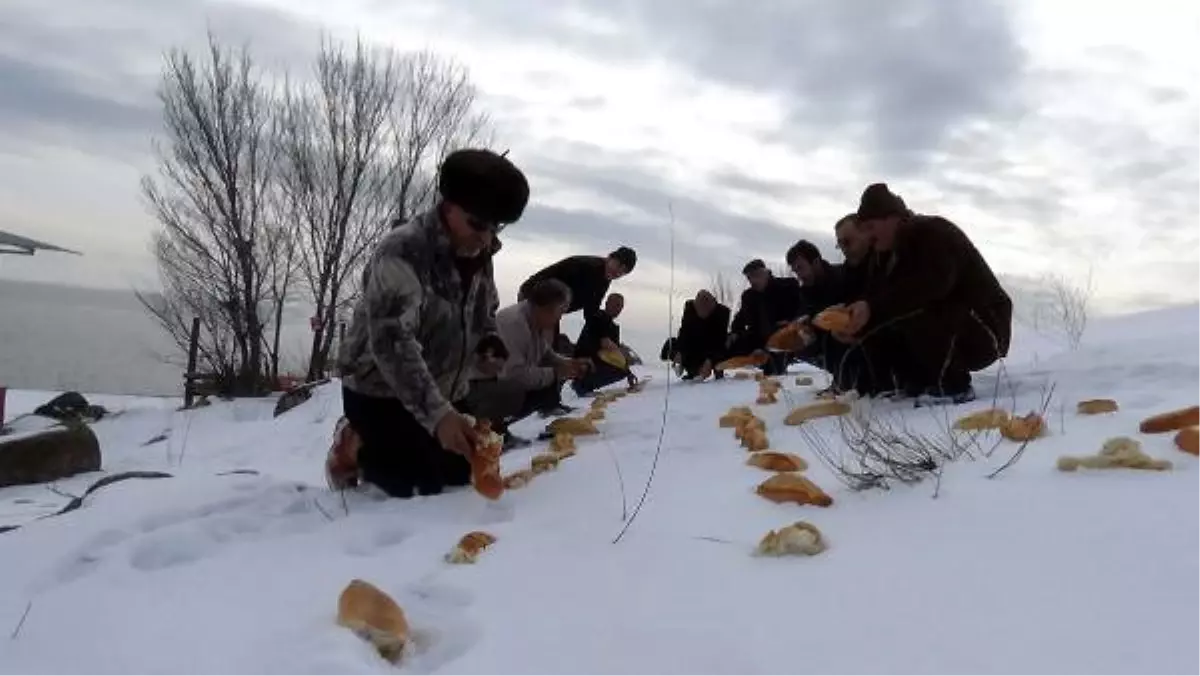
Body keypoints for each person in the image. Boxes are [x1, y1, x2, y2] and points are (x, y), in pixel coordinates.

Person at [329, 148, 530, 498]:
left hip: (446, 388)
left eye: (495, 227)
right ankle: (353, 444)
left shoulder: (479, 254)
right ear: (448, 205)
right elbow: (392, 342)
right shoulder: (403, 251)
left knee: (463, 476)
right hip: (380, 388)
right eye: (478, 224)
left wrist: (489, 341)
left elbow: (485, 310)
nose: (486, 238)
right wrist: (438, 416)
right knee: (412, 487)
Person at [841, 182, 1013, 405]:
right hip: (953, 329)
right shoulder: (882, 258)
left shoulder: (933, 232)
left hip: (986, 328)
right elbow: (876, 302)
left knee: (915, 303)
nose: (869, 236)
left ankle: (954, 385)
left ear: (892, 218)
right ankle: (908, 383)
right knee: (883, 317)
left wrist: (873, 308)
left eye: (871, 227)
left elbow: (933, 284)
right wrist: (855, 324)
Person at [464, 279, 591, 450]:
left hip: (491, 383)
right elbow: (513, 374)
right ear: (546, 309)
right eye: (560, 312)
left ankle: (498, 427)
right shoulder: (515, 323)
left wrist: (569, 363)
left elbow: (545, 353)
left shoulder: (533, 319)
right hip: (473, 389)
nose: (560, 317)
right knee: (515, 390)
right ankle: (489, 430)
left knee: (543, 380)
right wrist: (557, 373)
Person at [517, 246, 637, 411]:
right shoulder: (586, 266)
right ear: (610, 257)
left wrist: (603, 337)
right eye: (618, 265)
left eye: (623, 272)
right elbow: (548, 284)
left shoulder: (603, 280)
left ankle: (547, 402)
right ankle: (539, 404)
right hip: (535, 299)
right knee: (544, 351)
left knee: (549, 350)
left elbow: (591, 311)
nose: (618, 272)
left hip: (552, 309)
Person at [727, 258, 802, 375]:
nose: (753, 280)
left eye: (756, 275)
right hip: (758, 339)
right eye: (749, 278)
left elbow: (801, 308)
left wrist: (791, 322)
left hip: (785, 335)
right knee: (730, 341)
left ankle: (775, 364)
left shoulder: (787, 286)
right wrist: (734, 332)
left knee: (780, 338)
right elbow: (740, 318)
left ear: (766, 273)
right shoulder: (748, 296)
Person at [571, 293, 637, 395]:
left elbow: (614, 353)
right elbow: (606, 344)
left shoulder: (614, 327)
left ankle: (586, 384)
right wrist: (624, 361)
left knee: (621, 371)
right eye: (615, 304)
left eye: (620, 306)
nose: (618, 308)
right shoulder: (599, 317)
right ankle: (582, 384)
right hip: (585, 360)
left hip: (598, 360)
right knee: (620, 368)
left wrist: (628, 372)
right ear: (606, 304)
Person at [667, 290, 731, 381]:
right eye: (699, 308)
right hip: (696, 345)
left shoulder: (723, 312)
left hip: (713, 346)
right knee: (670, 345)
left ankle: (718, 373)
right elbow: (684, 332)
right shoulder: (690, 308)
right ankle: (692, 371)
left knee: (724, 348)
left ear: (712, 306)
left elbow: (720, 341)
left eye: (705, 309)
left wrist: (710, 361)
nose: (701, 312)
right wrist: (679, 351)